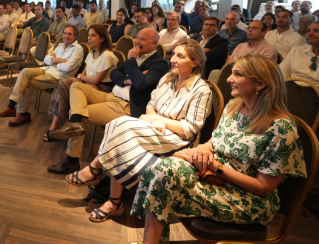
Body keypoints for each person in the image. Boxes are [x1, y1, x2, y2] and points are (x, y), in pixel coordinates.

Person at [131, 55, 306, 243]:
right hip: (215, 178)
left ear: (260, 84)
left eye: (237, 74)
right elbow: (213, 142)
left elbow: (263, 187)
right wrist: (201, 151)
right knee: (161, 170)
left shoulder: (282, 129)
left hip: (249, 199)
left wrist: (216, 166)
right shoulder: (233, 107)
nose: (229, 79)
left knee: (164, 183)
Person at [60, 40, 212, 222]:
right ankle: (114, 201)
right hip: (157, 130)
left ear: (195, 62)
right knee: (120, 133)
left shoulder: (202, 90)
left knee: (121, 124)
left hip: (178, 140)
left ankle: (95, 170)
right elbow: (151, 104)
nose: (173, 60)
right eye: (174, 55)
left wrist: (158, 119)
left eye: (181, 56)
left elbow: (190, 129)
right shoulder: (167, 79)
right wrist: (152, 117)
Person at [47, 28, 170, 174]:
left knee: (81, 115)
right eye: (137, 37)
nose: (137, 41)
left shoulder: (159, 64)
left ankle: (72, 161)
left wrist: (131, 61)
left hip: (125, 105)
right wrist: (130, 79)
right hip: (110, 96)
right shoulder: (137, 56)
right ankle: (75, 121)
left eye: (142, 39)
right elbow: (114, 74)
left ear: (155, 43)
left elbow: (141, 84)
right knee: (76, 86)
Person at [0, 25, 83, 126]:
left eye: (69, 34)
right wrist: (60, 61)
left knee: (23, 82)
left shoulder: (78, 49)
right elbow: (46, 59)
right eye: (65, 33)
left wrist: (53, 61)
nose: (66, 36)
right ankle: (12, 107)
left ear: (75, 36)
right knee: (25, 71)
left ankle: (20, 112)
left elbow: (67, 68)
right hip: (47, 69)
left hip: (58, 77)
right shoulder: (61, 45)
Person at [44, 25, 117, 143]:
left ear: (102, 38)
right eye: (88, 35)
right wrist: (83, 79)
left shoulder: (107, 55)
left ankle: (59, 125)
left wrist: (82, 78)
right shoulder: (91, 53)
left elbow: (95, 81)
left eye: (93, 35)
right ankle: (58, 125)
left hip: (101, 89)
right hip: (87, 85)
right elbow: (82, 75)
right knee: (65, 84)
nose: (89, 38)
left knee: (67, 85)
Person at [280, 21, 319, 89]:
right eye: (308, 31)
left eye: (316, 31)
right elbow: (281, 73)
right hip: (291, 90)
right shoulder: (297, 51)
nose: (310, 34)